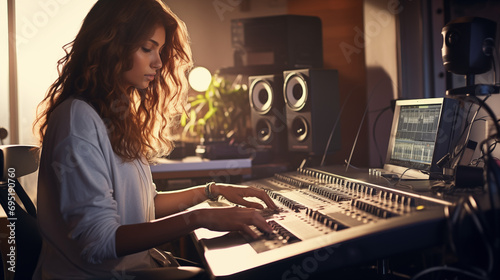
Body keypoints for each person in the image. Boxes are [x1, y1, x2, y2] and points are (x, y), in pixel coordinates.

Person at [32, 0, 277, 278]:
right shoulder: (78, 120)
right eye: (146, 48)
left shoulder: (114, 116)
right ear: (110, 46)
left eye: (159, 50)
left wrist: (211, 191)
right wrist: (202, 218)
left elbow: (147, 205)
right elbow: (99, 242)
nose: (158, 62)